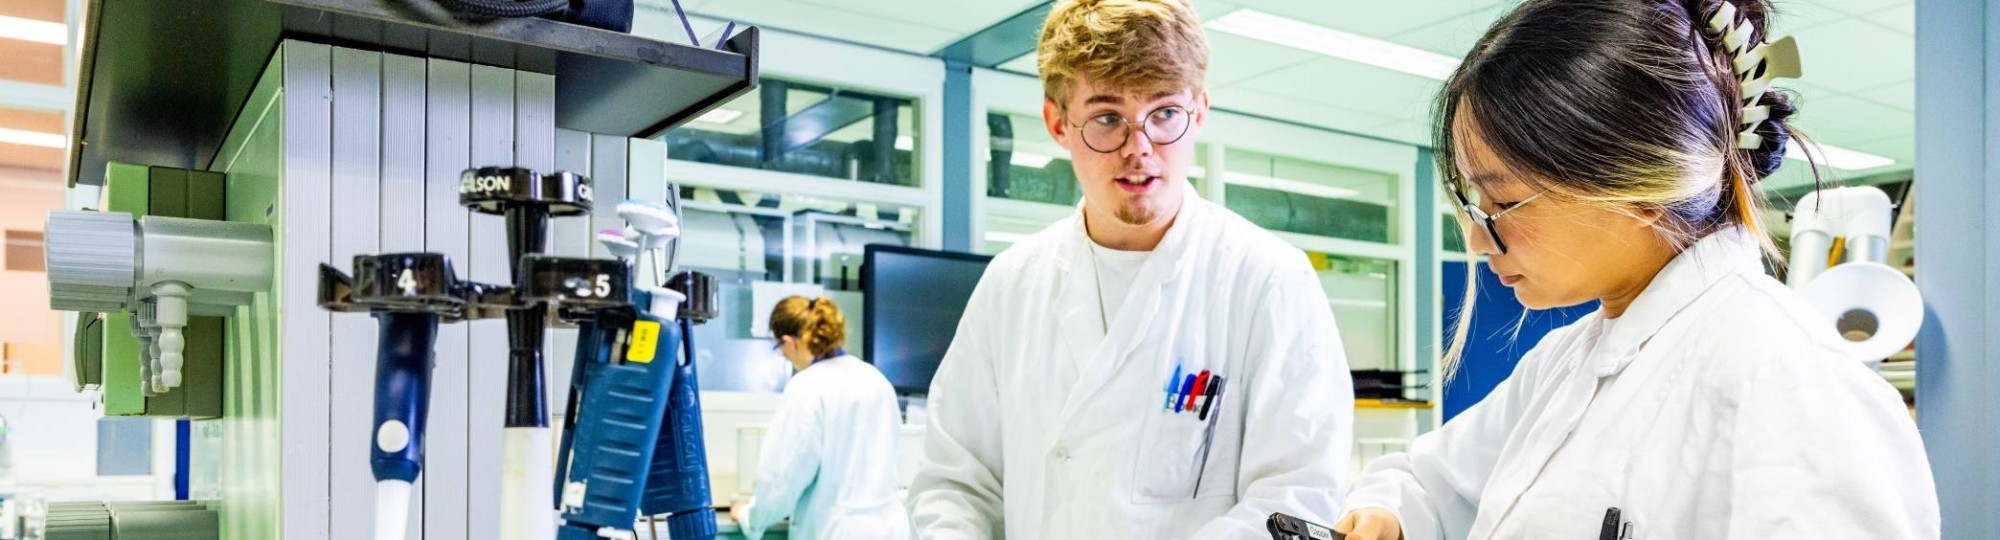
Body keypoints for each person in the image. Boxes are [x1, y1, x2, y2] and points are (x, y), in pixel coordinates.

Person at [1334, 0, 1941, 538]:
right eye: (1473, 204)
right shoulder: (1566, 362)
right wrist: (1391, 515)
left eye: (1502, 203)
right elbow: (1428, 481)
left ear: (1641, 190)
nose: (1475, 237)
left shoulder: (1789, 386)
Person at [905, 0, 1355, 538]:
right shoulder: (1011, 283)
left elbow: (1299, 495)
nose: (1138, 149)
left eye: (1164, 114)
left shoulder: (1268, 279)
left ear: (1200, 111)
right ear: (1057, 123)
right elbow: (955, 483)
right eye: (1107, 118)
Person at [731, 296, 912, 540]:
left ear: (788, 342)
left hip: (836, 531)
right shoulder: (876, 380)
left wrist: (749, 515)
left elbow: (781, 478)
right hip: (890, 531)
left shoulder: (807, 387)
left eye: (779, 348)